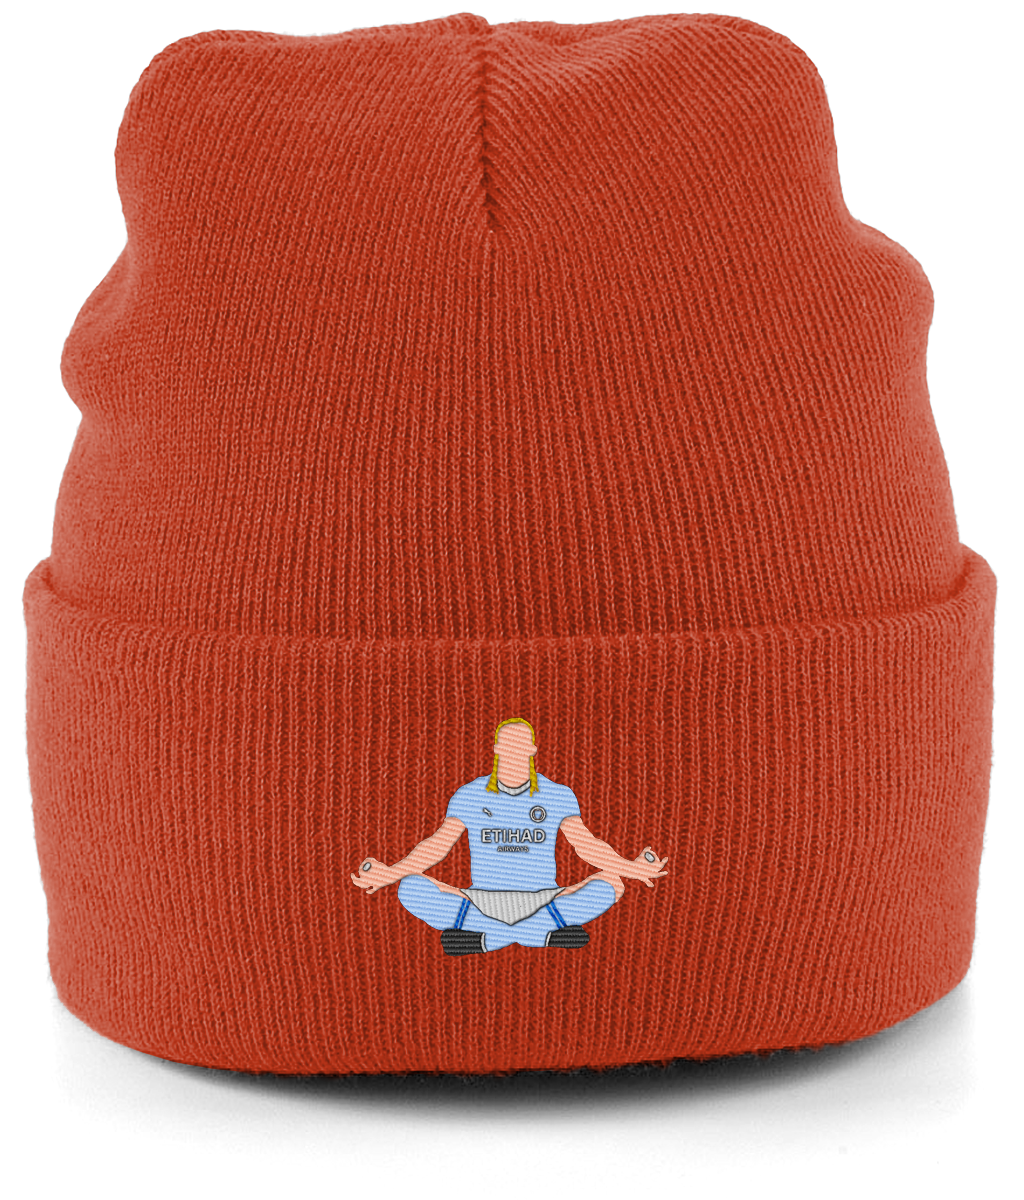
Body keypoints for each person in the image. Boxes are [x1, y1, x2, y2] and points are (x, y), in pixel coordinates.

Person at [351, 717, 668, 955]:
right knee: (410, 887)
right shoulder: (470, 794)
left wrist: (630, 868)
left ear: (532, 750)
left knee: (612, 883)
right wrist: (392, 873)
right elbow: (437, 845)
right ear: (497, 749)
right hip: (479, 900)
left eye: (522, 745)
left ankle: (487, 939)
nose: (514, 752)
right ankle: (539, 935)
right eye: (507, 745)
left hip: (545, 898)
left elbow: (586, 845)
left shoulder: (556, 794)